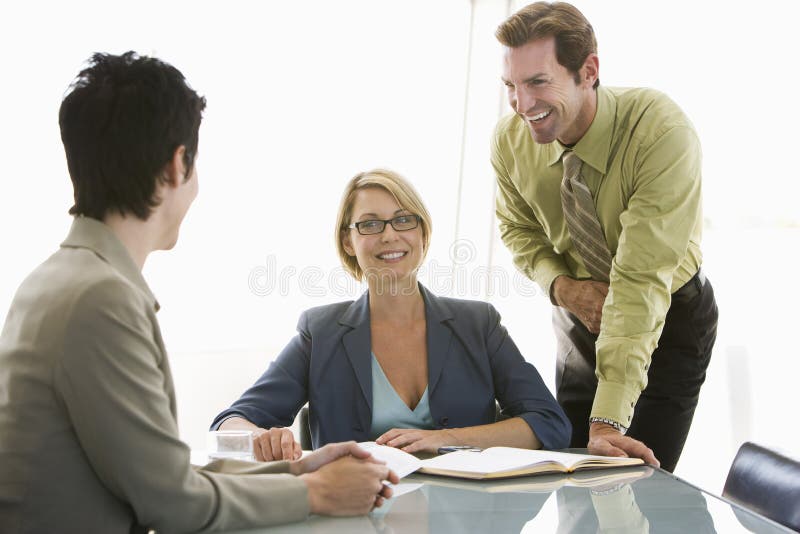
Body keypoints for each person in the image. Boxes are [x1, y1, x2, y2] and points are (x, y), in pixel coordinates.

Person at [0, 51, 398, 534]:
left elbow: (157, 475)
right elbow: (172, 504)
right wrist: (317, 492)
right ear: (177, 164)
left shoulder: (57, 279)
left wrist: (296, 469)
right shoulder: (100, 299)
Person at [491, 1, 718, 472]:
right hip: (579, 314)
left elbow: (639, 284)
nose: (522, 104)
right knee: (571, 472)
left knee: (631, 475)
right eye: (511, 85)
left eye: (537, 82)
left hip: (666, 316)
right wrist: (563, 287)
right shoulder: (510, 141)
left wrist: (608, 421)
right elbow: (518, 229)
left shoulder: (660, 133)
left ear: (588, 70)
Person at [211, 168, 571, 461]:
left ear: (422, 232)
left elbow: (549, 423)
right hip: (352, 515)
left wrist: (444, 439)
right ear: (349, 241)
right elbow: (228, 424)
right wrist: (261, 439)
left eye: (403, 220)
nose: (389, 235)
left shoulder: (478, 324)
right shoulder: (319, 333)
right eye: (369, 224)